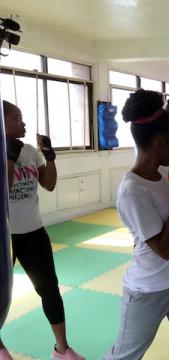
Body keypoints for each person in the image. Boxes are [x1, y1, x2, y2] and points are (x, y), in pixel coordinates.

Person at [104, 90, 169, 360]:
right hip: (148, 289)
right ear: (158, 141)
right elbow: (163, 248)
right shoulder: (132, 190)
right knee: (124, 357)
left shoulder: (167, 174)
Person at [0, 101, 85, 360]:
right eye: (17, 119)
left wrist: (48, 156)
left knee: (49, 288)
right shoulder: (9, 152)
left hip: (33, 231)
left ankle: (62, 349)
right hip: (3, 236)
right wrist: (9, 157)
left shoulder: (27, 150)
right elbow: (6, 188)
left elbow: (48, 184)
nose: (23, 124)